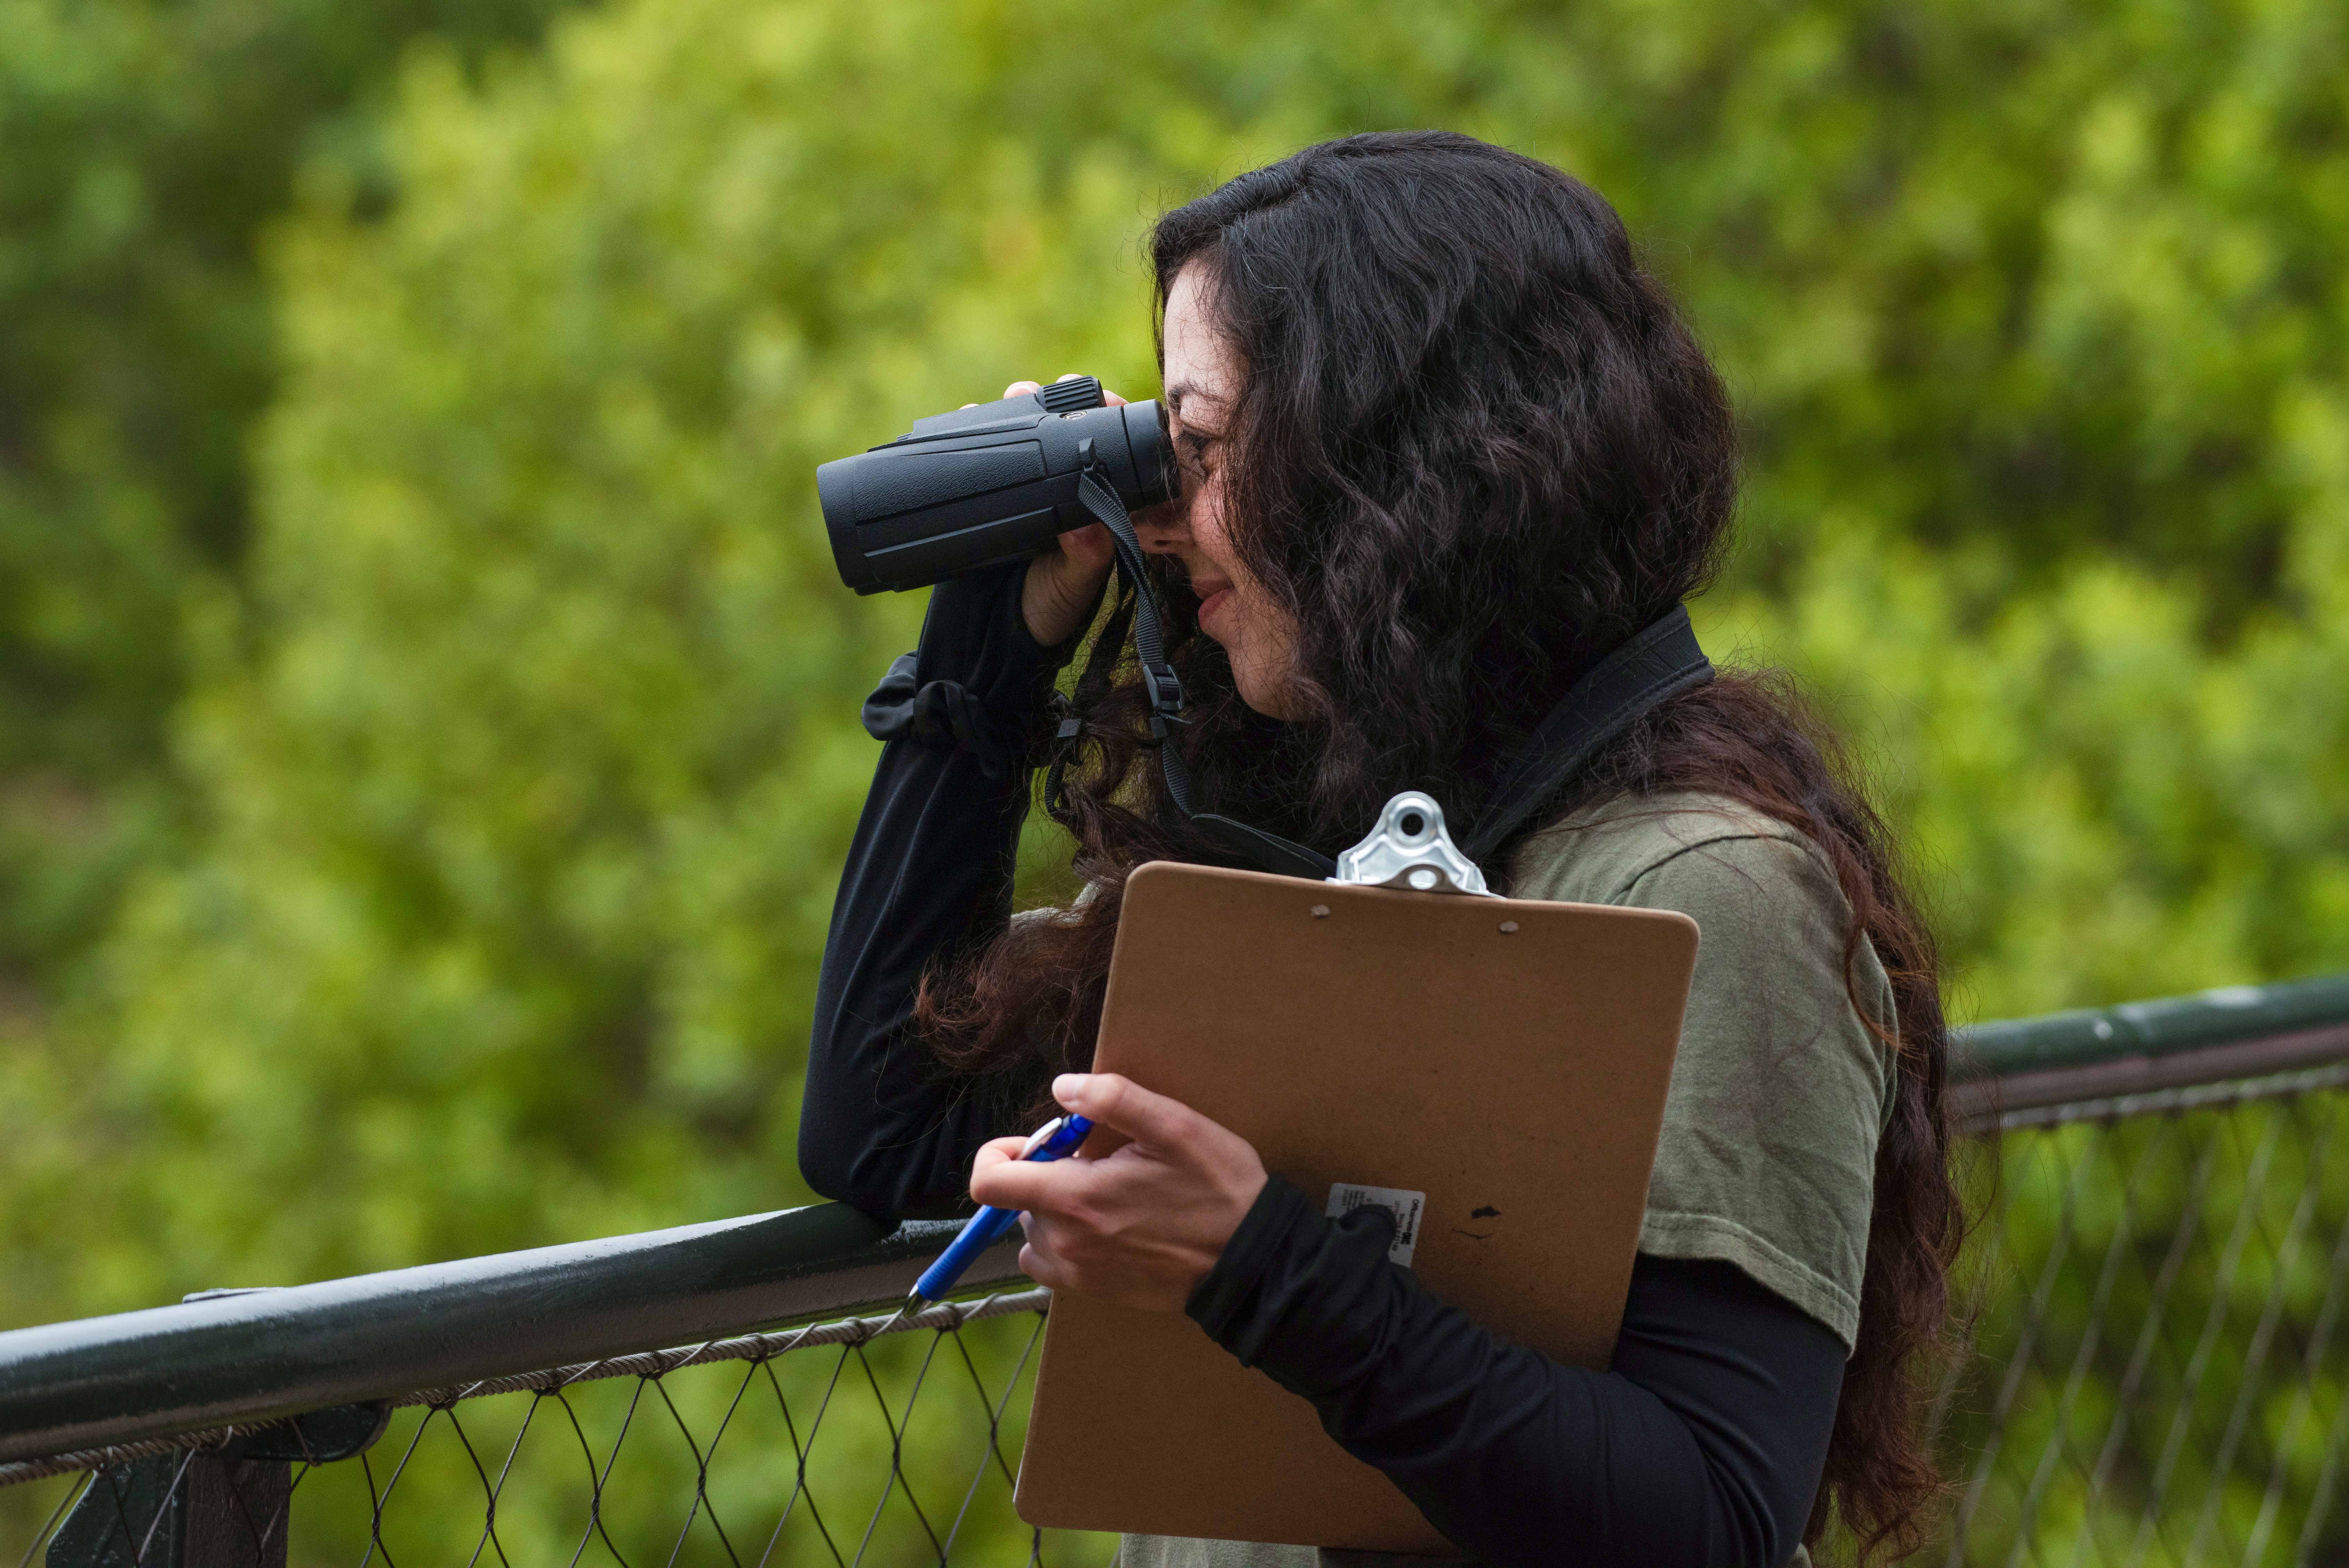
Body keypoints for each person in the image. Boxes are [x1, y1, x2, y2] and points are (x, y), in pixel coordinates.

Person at [800, 131, 1959, 1568]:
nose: (1172, 516)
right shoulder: (1331, 855)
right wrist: (990, 637)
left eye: (1208, 450)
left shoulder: (1698, 885)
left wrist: (1261, 1270)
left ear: (1388, 469)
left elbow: (1713, 1520)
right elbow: (887, 1127)